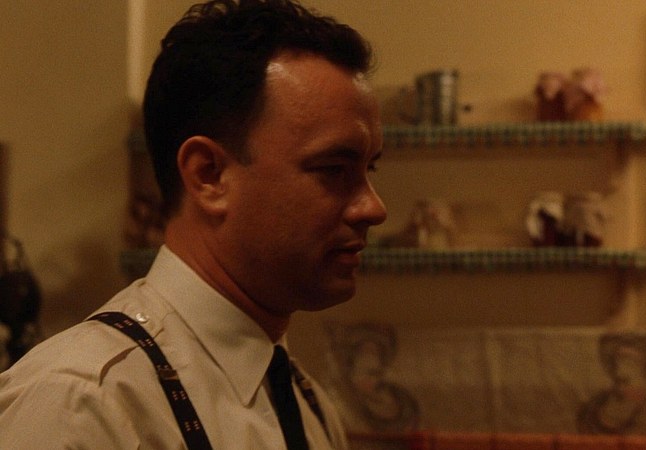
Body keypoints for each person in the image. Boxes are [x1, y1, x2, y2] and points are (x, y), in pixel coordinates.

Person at [0, 0, 386, 448]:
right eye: (334, 169)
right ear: (209, 175)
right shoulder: (81, 405)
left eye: (369, 169)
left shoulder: (308, 405)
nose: (373, 208)